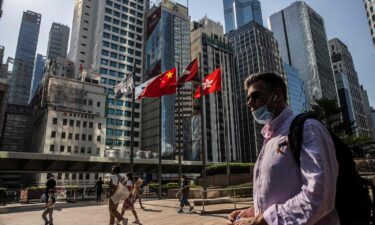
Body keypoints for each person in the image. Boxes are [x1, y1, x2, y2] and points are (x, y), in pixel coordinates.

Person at [227, 73, 339, 225]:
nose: (250, 103)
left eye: (255, 96)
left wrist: (265, 220)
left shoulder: (308, 128)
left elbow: (320, 195)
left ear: (277, 95)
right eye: (248, 98)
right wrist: (251, 213)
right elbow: (280, 194)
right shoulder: (270, 138)